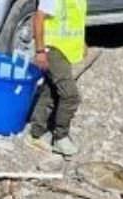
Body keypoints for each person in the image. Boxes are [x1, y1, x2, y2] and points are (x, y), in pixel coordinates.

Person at [26, 0, 87, 157]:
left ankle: (35, 133)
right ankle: (61, 137)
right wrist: (40, 51)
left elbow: (75, 19)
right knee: (70, 96)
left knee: (51, 91)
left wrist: (82, 43)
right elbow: (39, 18)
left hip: (66, 50)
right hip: (52, 49)